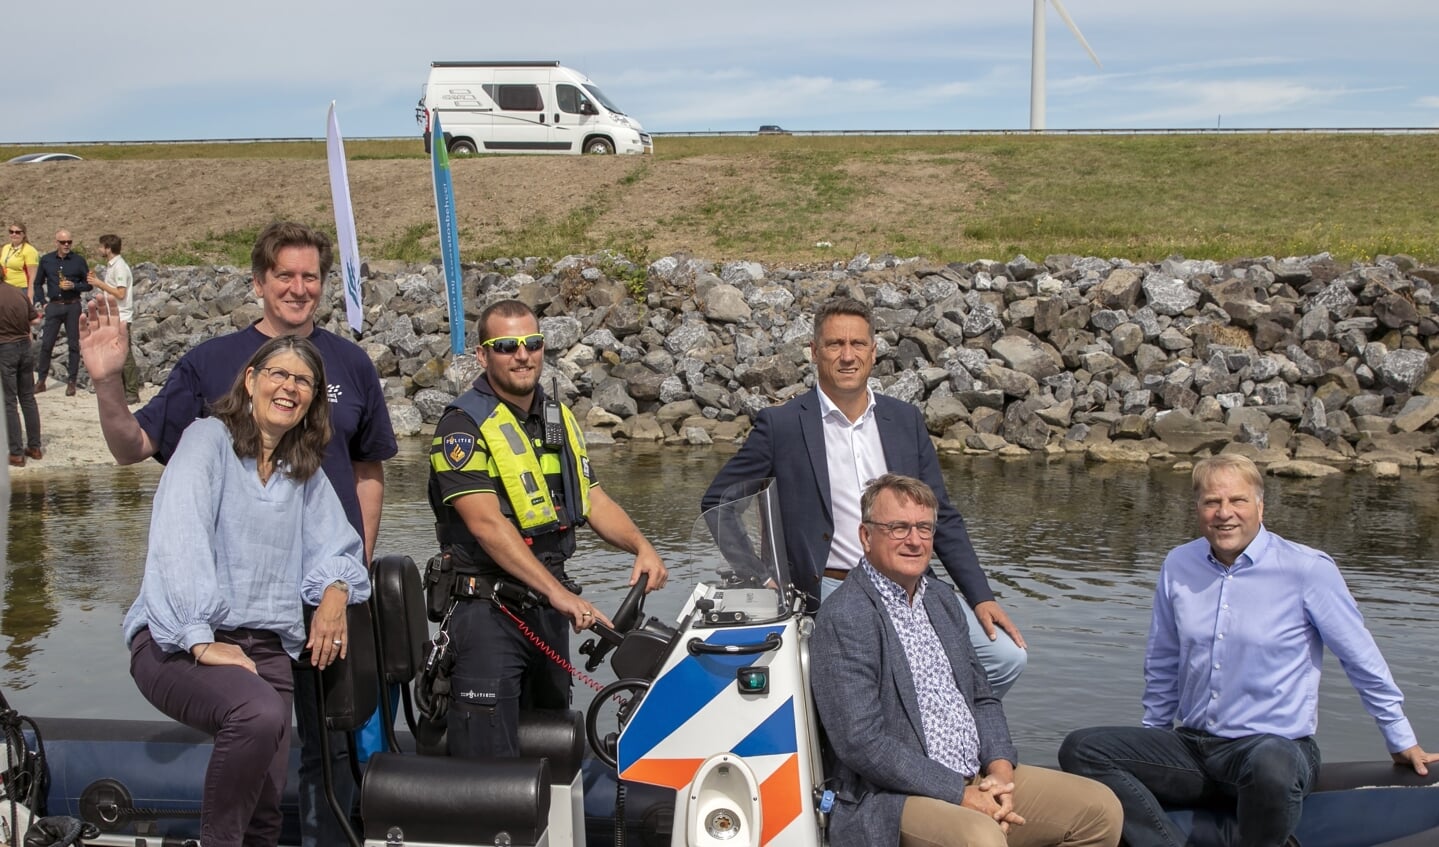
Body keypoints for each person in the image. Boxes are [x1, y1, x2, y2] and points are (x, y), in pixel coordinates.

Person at [79, 221, 397, 847]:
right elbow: (142, 463)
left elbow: (365, 474)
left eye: (311, 277)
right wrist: (107, 381)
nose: (299, 288)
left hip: (300, 614)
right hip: (203, 624)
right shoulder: (207, 412)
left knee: (319, 759)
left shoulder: (341, 387)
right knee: (260, 717)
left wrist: (343, 584)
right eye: (285, 275)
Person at [1058, 455, 1438, 847]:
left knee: (1270, 762)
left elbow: (1361, 659)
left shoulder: (1307, 570)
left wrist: (1400, 738)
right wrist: (1153, 741)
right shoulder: (1178, 564)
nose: (1224, 514)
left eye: (1237, 501)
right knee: (1082, 749)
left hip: (1275, 747)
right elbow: (1163, 660)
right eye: (1212, 502)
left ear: (1260, 505)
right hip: (1193, 745)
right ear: (1198, 509)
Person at [702, 296, 1028, 696]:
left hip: (912, 587)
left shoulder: (904, 420)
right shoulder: (782, 425)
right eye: (835, 345)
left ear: (873, 353)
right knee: (863, 685)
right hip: (832, 588)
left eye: (857, 344)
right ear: (815, 352)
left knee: (1005, 658)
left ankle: (941, 738)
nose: (847, 356)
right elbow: (719, 502)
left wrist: (981, 596)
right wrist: (761, 574)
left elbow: (941, 518)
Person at [123, 335, 371, 847]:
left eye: (303, 381)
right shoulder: (205, 440)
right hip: (177, 640)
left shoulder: (301, 469)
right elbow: (180, 534)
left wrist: (333, 593)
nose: (290, 386)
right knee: (257, 714)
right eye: (278, 374)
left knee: (264, 817)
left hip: (267, 649)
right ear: (252, 381)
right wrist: (198, 636)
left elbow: (338, 548)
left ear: (313, 399)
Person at [811, 473, 1121, 847]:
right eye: (898, 528)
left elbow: (982, 697)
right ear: (865, 536)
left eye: (924, 529)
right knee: (981, 838)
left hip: (977, 775)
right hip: (894, 797)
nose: (914, 540)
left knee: (1099, 809)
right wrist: (961, 795)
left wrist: (1001, 773)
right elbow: (862, 742)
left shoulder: (941, 600)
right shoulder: (846, 615)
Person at [426, 298, 668, 758]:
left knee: (552, 748)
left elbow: (591, 497)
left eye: (532, 343)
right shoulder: (461, 427)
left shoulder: (557, 418)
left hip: (548, 612)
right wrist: (559, 594)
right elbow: (486, 524)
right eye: (506, 346)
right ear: (483, 355)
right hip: (488, 613)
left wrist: (642, 546)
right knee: (489, 761)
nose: (523, 355)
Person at [33, 229, 90, 396]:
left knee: (73, 345)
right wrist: (43, 303)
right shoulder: (46, 260)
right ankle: (41, 380)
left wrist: (74, 286)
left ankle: (71, 382)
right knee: (46, 344)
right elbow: (37, 283)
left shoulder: (79, 261)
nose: (67, 245)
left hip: (73, 305)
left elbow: (88, 284)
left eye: (69, 242)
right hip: (54, 306)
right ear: (56, 242)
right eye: (63, 242)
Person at [85, 234, 140, 404]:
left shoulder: (120, 268)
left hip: (121, 316)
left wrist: (99, 283)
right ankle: (123, 389)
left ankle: (132, 391)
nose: (99, 249)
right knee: (117, 352)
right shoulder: (112, 266)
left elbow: (120, 293)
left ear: (108, 249)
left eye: (101, 247)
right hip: (113, 314)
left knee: (125, 354)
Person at [1, 281, 41, 466]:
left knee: (9, 402)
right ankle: (35, 447)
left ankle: (16, 453)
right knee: (28, 398)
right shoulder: (17, 293)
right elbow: (36, 320)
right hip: (25, 348)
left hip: (5, 349)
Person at [2, 222, 40, 302]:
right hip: (5, 287)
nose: (14, 234)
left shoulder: (29, 251)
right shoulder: (6, 248)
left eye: (17, 232)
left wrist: (30, 297)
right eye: (11, 232)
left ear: (24, 234)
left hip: (21, 289)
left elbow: (33, 278)